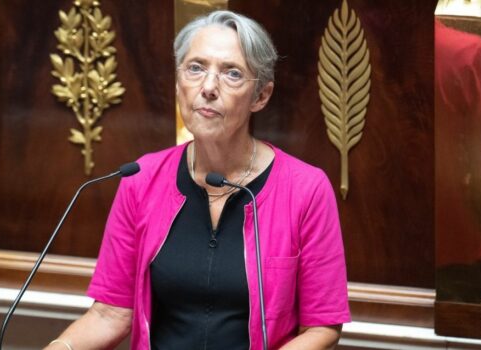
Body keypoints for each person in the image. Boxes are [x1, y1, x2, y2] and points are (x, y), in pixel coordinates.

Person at [45, 10, 349, 350]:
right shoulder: (140, 180)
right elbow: (109, 314)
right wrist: (61, 347)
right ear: (178, 83)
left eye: (232, 73)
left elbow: (322, 328)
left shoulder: (305, 189)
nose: (207, 87)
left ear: (260, 96)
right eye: (195, 68)